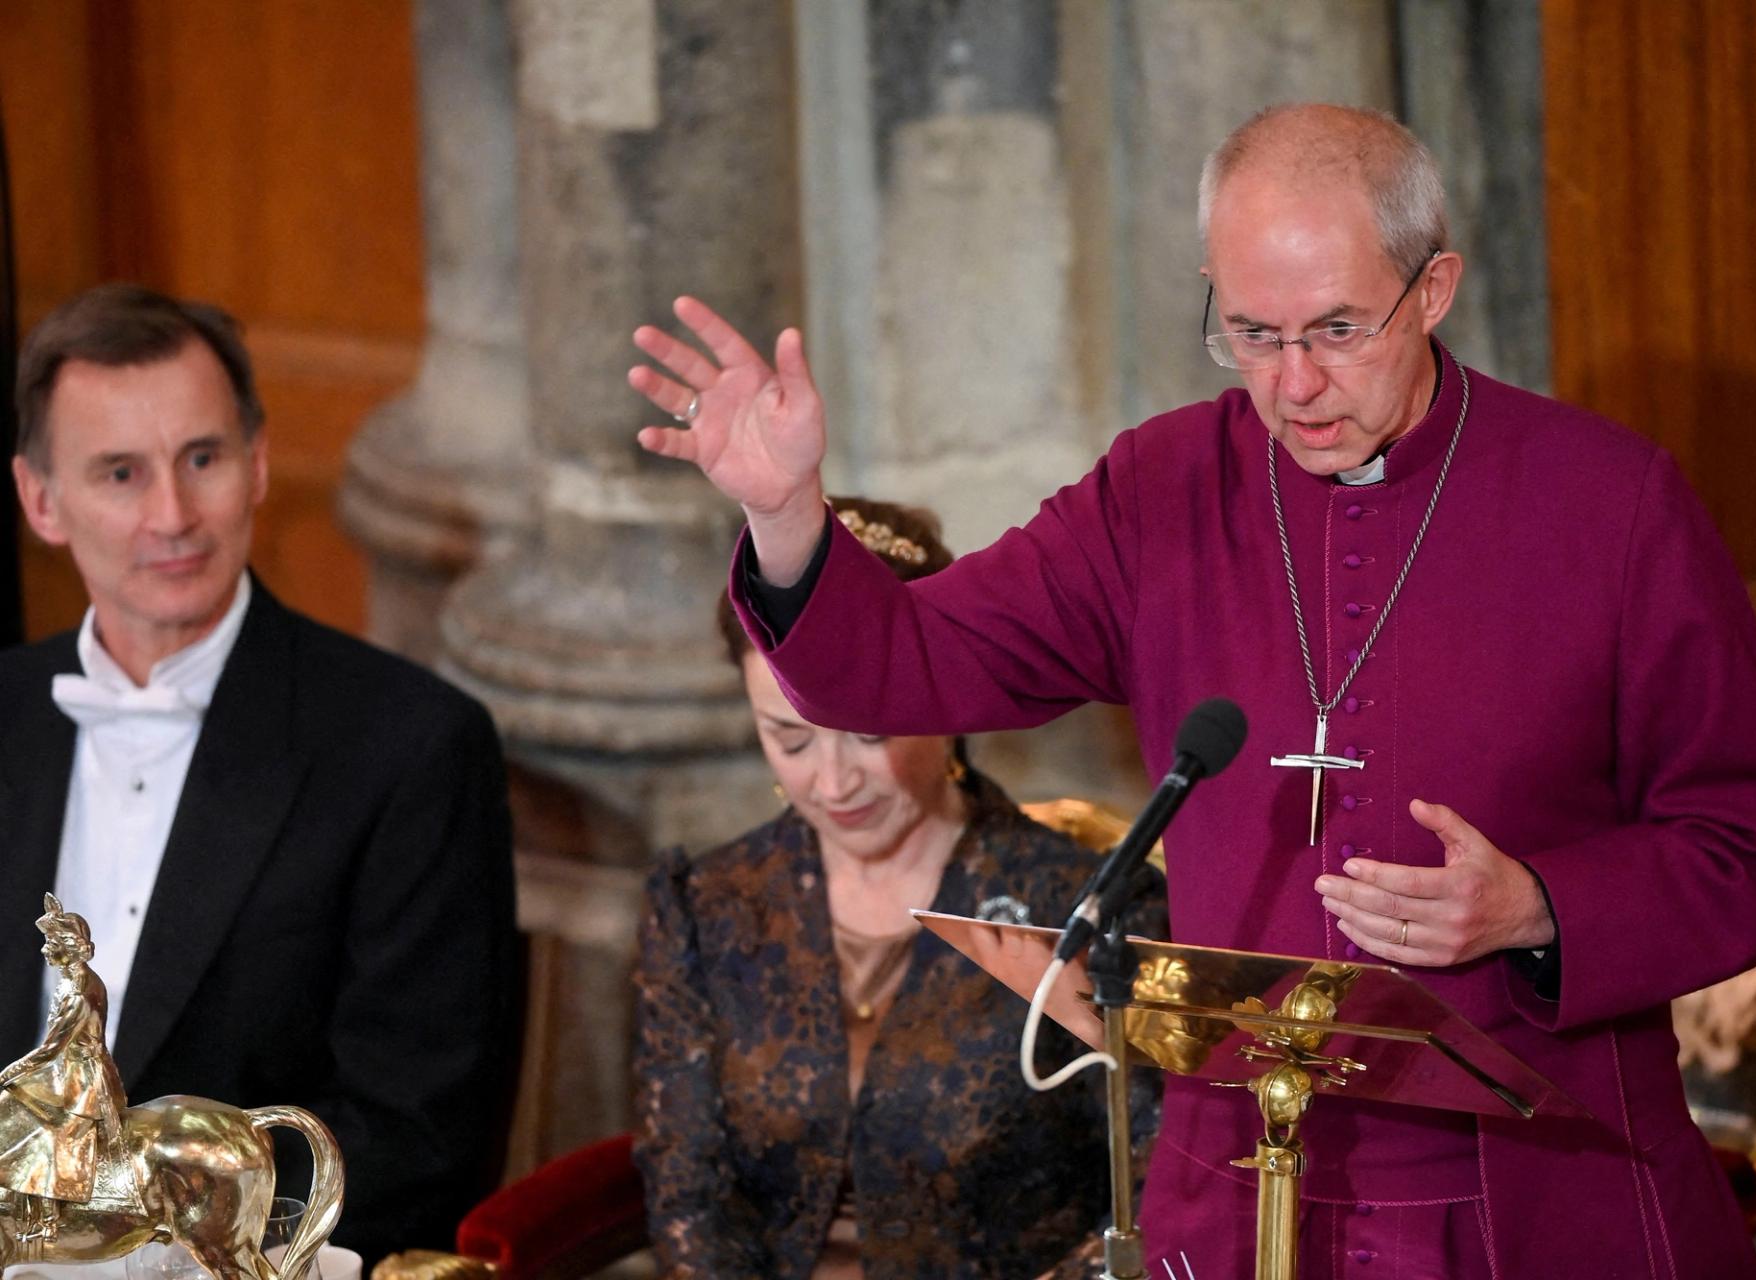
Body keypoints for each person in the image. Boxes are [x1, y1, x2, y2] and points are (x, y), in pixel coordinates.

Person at [624, 104, 1756, 1278]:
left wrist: (1536, 907)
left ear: (1437, 288)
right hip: (1238, 1188)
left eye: (1339, 329)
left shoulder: (1611, 505)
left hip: (1525, 1187)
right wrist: (786, 515)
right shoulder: (1164, 488)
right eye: (1253, 332)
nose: (1296, 383)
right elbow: (901, 666)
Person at [0, 284, 521, 1261]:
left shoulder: (411, 746)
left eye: (203, 458)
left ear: (259, 462)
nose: (173, 514)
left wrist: (136, 1256)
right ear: (42, 499)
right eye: (120, 472)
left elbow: (420, 1136)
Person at [631, 496, 1164, 1280]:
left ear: (944, 700)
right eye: (790, 738)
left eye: (869, 732)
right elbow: (689, 1196)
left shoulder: (1082, 907)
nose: (833, 780)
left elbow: (1152, 1195)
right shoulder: (706, 903)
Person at [0, 896, 127, 1241]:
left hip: (81, 1081)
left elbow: (50, 1048)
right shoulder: (73, 981)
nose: (44, 951)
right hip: (65, 1072)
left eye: (51, 944)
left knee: (38, 1129)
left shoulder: (79, 993)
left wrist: (7, 1074)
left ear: (70, 949)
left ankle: (48, 1217)